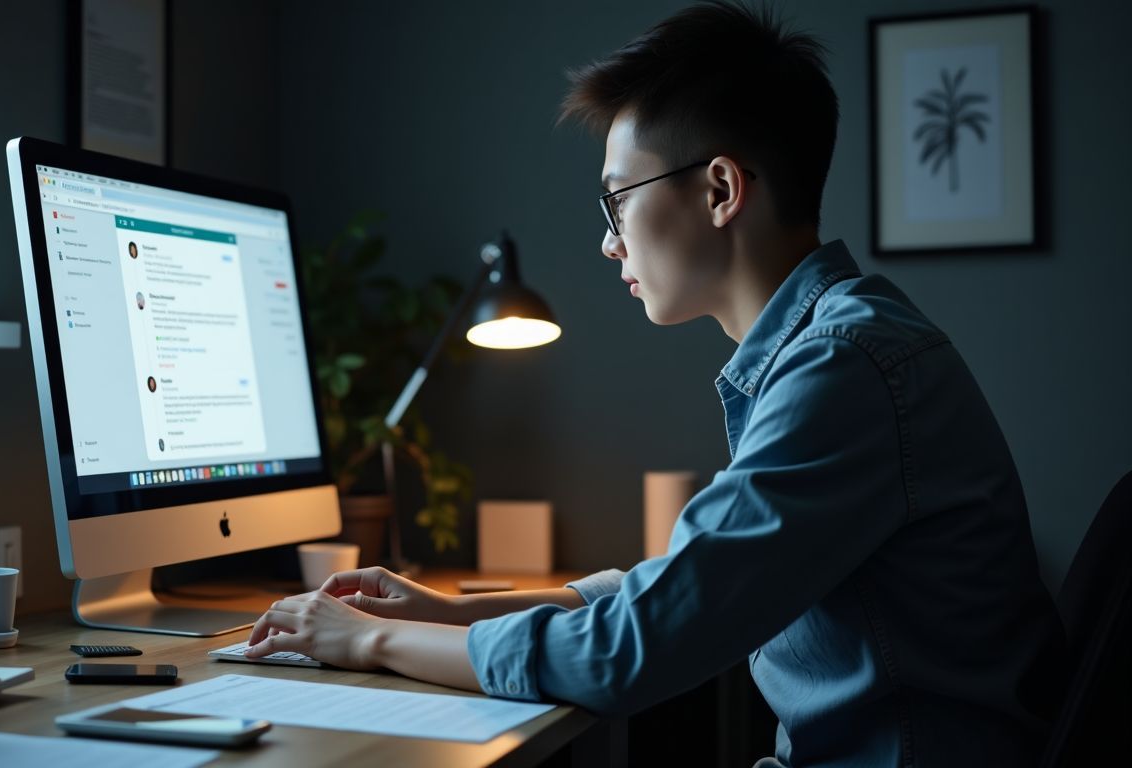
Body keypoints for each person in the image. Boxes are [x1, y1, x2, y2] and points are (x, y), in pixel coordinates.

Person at [246, 3, 1064, 765]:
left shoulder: (844, 366)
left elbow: (630, 652)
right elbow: (681, 587)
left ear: (719, 191)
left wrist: (364, 641)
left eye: (617, 204)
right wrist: (450, 613)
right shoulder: (834, 345)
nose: (610, 246)